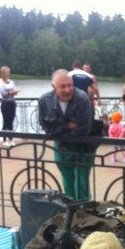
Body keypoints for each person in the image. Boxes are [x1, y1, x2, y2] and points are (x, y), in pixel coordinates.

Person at [38, 69, 94, 200]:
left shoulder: (82, 99)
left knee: (81, 183)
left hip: (83, 147)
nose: (68, 90)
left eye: (70, 85)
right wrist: (68, 126)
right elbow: (47, 129)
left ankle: (83, 209)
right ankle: (70, 209)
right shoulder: (44, 101)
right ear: (54, 87)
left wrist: (59, 132)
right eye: (63, 86)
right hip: (61, 148)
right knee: (67, 182)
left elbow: (84, 129)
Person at [0, 66, 20, 146]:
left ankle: (11, 139)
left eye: (9, 72)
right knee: (6, 121)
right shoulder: (0, 81)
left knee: (11, 121)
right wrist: (12, 92)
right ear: (3, 73)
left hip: (12, 103)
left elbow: (14, 92)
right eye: (7, 72)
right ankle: (4, 139)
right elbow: (3, 93)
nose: (8, 73)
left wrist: (11, 92)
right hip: (5, 104)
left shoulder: (11, 82)